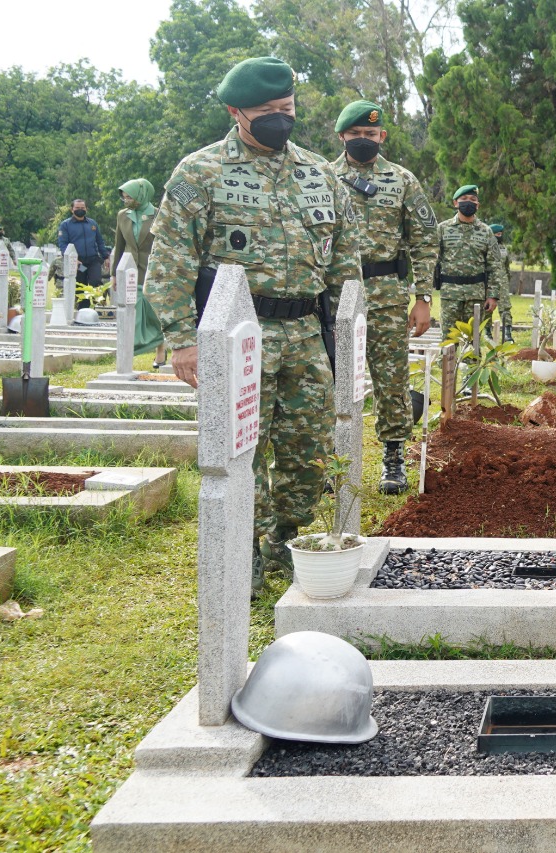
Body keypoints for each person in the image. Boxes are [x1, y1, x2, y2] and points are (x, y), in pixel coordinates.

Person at [145, 56, 362, 594]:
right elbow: (169, 261)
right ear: (234, 111)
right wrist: (180, 340)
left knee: (308, 458)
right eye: (266, 111)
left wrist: (346, 340)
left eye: (286, 109)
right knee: (241, 453)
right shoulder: (200, 172)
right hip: (240, 336)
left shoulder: (320, 175)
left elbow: (344, 263)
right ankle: (241, 558)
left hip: (307, 337)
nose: (279, 119)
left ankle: (280, 542)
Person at [327, 99, 439, 494]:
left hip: (387, 295)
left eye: (370, 135)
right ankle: (328, 460)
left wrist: (422, 296)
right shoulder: (322, 177)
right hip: (333, 295)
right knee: (328, 376)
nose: (362, 140)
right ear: (341, 136)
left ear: (382, 136)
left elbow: (426, 239)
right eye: (355, 134)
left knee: (391, 379)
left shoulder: (402, 180)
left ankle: (393, 459)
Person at [436, 185, 506, 340]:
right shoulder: (442, 229)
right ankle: (447, 365)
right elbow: (432, 260)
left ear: (478, 205)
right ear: (455, 203)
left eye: (473, 200)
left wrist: (493, 296)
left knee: (473, 342)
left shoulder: (486, 231)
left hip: (476, 295)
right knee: (448, 340)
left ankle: (473, 365)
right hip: (450, 294)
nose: (468, 203)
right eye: (464, 199)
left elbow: (494, 266)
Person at [112, 178, 166, 364]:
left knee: (153, 311)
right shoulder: (122, 215)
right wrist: (114, 273)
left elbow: (163, 245)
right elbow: (119, 245)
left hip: (151, 269)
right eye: (124, 198)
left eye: (130, 198)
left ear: (141, 196)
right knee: (132, 309)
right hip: (129, 270)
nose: (126, 201)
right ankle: (131, 349)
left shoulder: (157, 215)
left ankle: (161, 348)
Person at [57, 198, 110, 293]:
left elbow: (100, 241)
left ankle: (96, 305)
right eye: (77, 208)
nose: (80, 209)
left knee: (96, 282)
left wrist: (106, 256)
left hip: (93, 261)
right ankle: (82, 307)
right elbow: (63, 244)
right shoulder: (65, 225)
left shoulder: (92, 224)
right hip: (79, 262)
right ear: (72, 209)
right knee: (81, 285)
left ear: (86, 209)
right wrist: (72, 259)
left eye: (82, 207)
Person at [489, 224, 514, 341]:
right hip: (489, 281)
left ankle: (507, 332)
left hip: (503, 282)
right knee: (487, 307)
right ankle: (486, 332)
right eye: (497, 234)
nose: (499, 236)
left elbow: (507, 266)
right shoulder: (486, 247)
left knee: (505, 307)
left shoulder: (504, 248)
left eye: (500, 234)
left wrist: (507, 280)